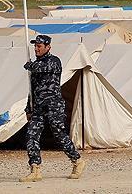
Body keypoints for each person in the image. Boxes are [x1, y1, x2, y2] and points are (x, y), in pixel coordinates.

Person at [20, 35, 85, 182]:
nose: (36, 48)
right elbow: (32, 90)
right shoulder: (35, 67)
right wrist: (28, 109)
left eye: (39, 46)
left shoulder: (54, 61)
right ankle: (35, 169)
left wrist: (29, 66)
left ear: (48, 47)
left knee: (59, 136)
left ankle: (77, 161)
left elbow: (43, 68)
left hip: (54, 106)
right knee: (31, 136)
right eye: (35, 46)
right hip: (38, 108)